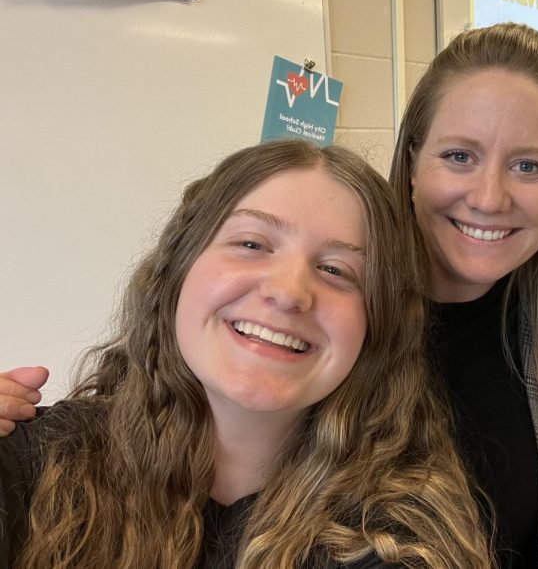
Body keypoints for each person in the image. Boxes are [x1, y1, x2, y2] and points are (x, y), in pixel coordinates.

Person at [0, 24, 538, 567]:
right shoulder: (321, 331)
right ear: (409, 157)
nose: (489, 197)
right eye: (457, 155)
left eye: (529, 166)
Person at [0, 139, 490, 568]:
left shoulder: (396, 540)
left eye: (338, 270)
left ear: (375, 328)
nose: (289, 291)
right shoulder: (36, 464)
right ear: (177, 271)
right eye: (252, 243)